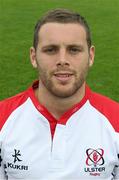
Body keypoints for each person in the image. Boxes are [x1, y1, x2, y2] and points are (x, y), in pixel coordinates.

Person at [0, 8, 119, 180]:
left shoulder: (115, 121)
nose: (62, 60)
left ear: (90, 56)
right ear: (33, 57)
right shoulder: (3, 118)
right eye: (51, 50)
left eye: (74, 50)